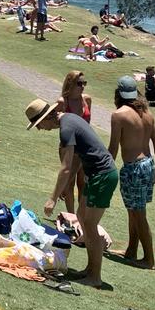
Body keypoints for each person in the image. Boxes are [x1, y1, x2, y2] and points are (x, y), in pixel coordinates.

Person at [27, 98, 118, 288]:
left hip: (102, 175)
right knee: (82, 218)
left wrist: (52, 198)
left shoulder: (66, 128)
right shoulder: (69, 120)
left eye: (38, 124)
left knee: (91, 226)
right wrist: (67, 184)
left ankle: (95, 278)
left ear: (46, 118)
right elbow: (77, 160)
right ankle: (90, 269)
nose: (39, 128)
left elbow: (66, 167)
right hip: (97, 174)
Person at [108, 76, 155, 269]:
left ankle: (149, 259)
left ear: (118, 93)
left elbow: (113, 148)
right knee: (133, 210)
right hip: (149, 164)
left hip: (134, 167)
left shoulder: (119, 115)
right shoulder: (147, 113)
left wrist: (104, 169)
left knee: (138, 214)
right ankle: (131, 250)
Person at [55, 71, 91, 213]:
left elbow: (88, 123)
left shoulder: (87, 100)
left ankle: (80, 217)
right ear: (70, 84)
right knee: (68, 182)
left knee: (82, 182)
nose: (82, 87)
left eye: (84, 83)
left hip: (85, 147)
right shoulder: (63, 102)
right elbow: (57, 124)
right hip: (69, 146)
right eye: (79, 84)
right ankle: (71, 216)